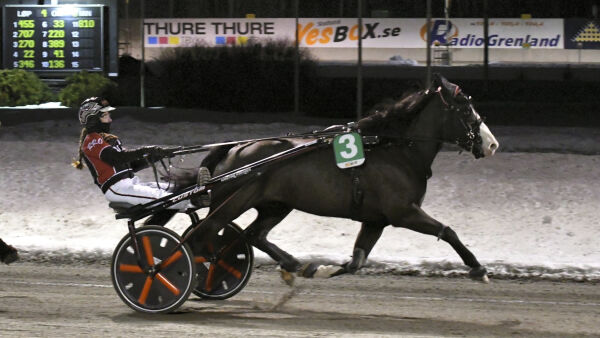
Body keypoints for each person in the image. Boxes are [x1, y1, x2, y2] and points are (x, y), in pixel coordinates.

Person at [74, 97, 211, 223]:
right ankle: (197, 201)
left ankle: (201, 194)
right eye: (105, 115)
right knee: (166, 198)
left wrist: (154, 158)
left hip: (130, 183)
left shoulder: (108, 140)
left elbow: (129, 166)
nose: (110, 120)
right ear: (93, 119)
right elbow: (117, 158)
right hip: (117, 189)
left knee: (175, 190)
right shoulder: (91, 142)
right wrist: (147, 149)